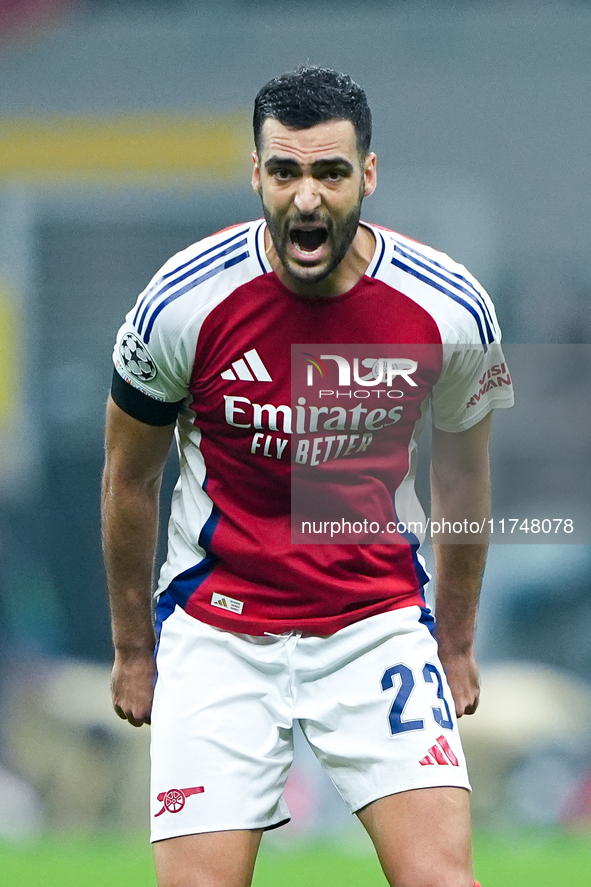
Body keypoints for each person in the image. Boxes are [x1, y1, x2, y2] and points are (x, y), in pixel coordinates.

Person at [102, 66, 513, 887]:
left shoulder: (449, 308)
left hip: (375, 622)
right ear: (256, 172)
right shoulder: (181, 304)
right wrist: (133, 649)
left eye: (328, 172)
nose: (306, 198)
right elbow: (127, 480)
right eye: (285, 171)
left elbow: (463, 482)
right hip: (216, 633)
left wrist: (457, 639)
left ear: (367, 172)